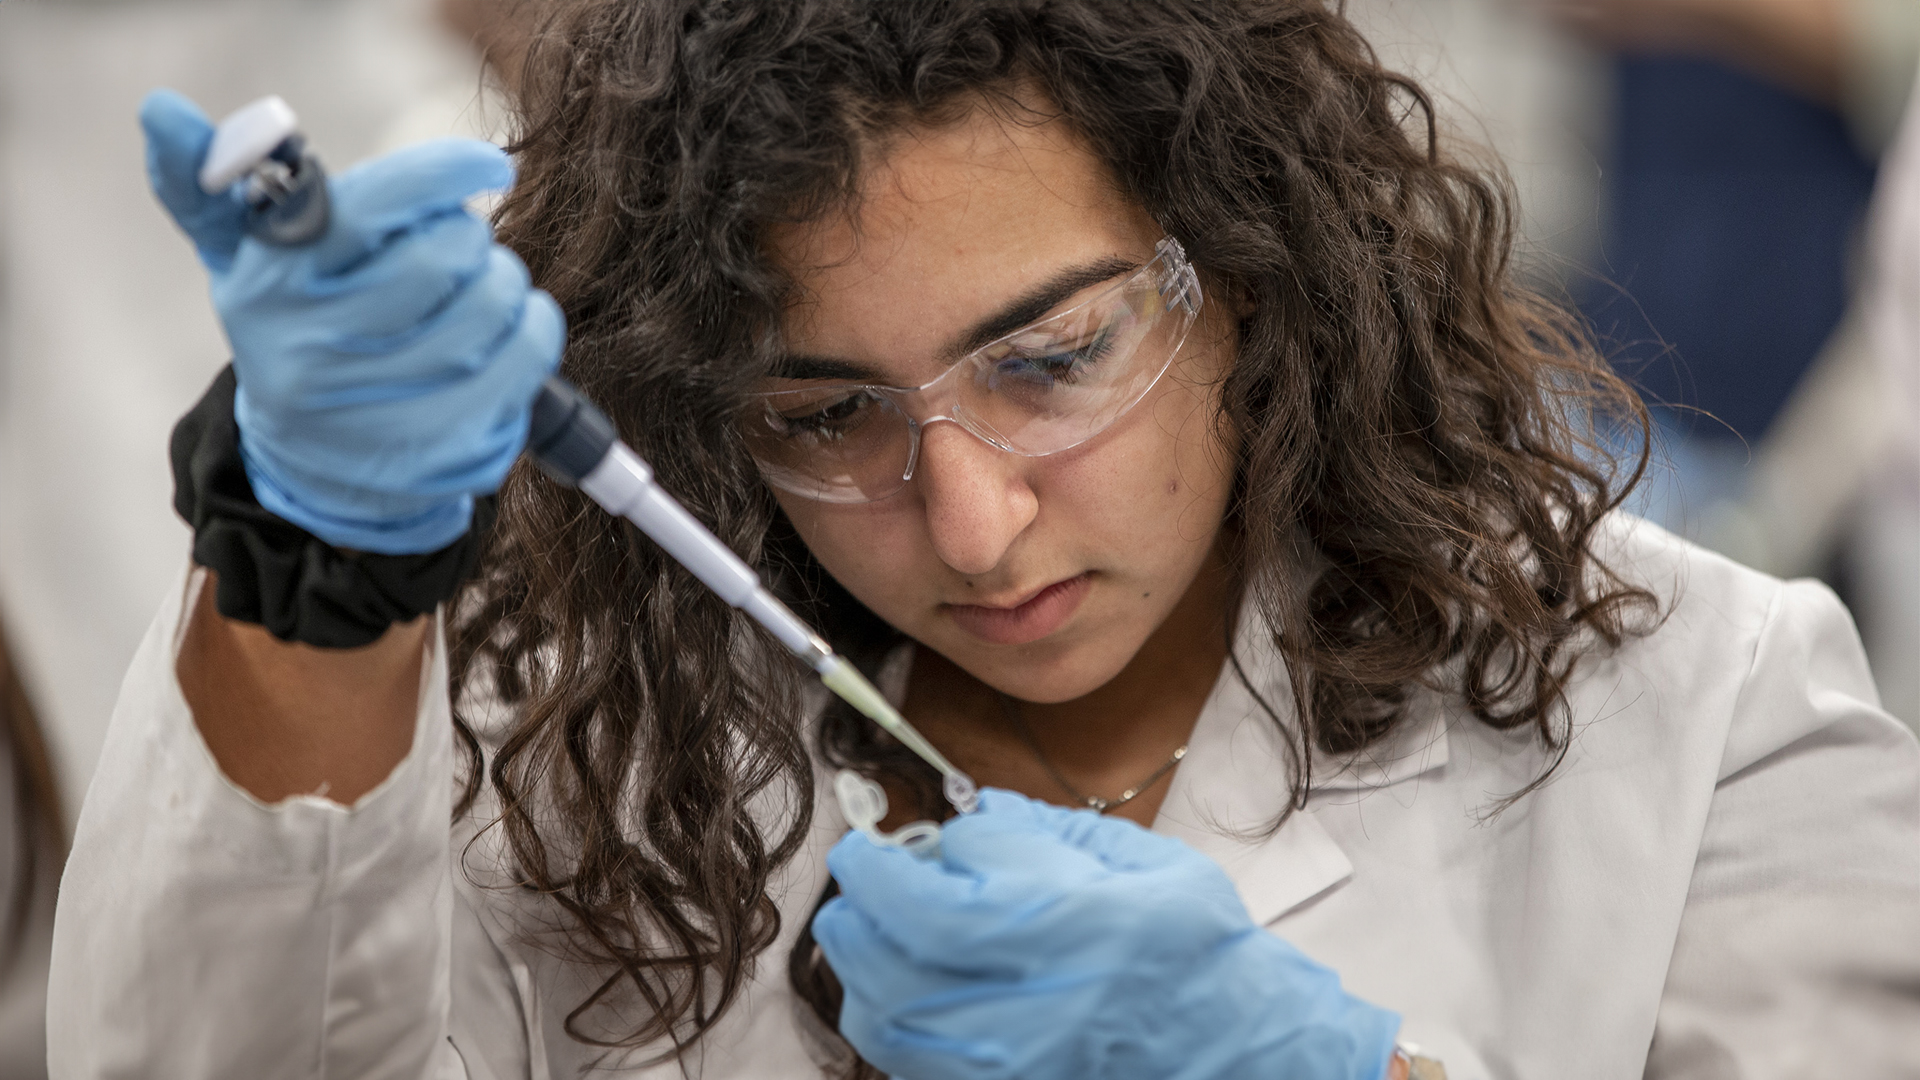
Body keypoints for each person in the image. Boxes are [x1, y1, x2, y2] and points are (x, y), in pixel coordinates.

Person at [46, 2, 1920, 1078]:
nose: (972, 517)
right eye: (825, 415)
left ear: (1253, 272)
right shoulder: (562, 760)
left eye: (1053, 358)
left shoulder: (1703, 714)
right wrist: (317, 558)